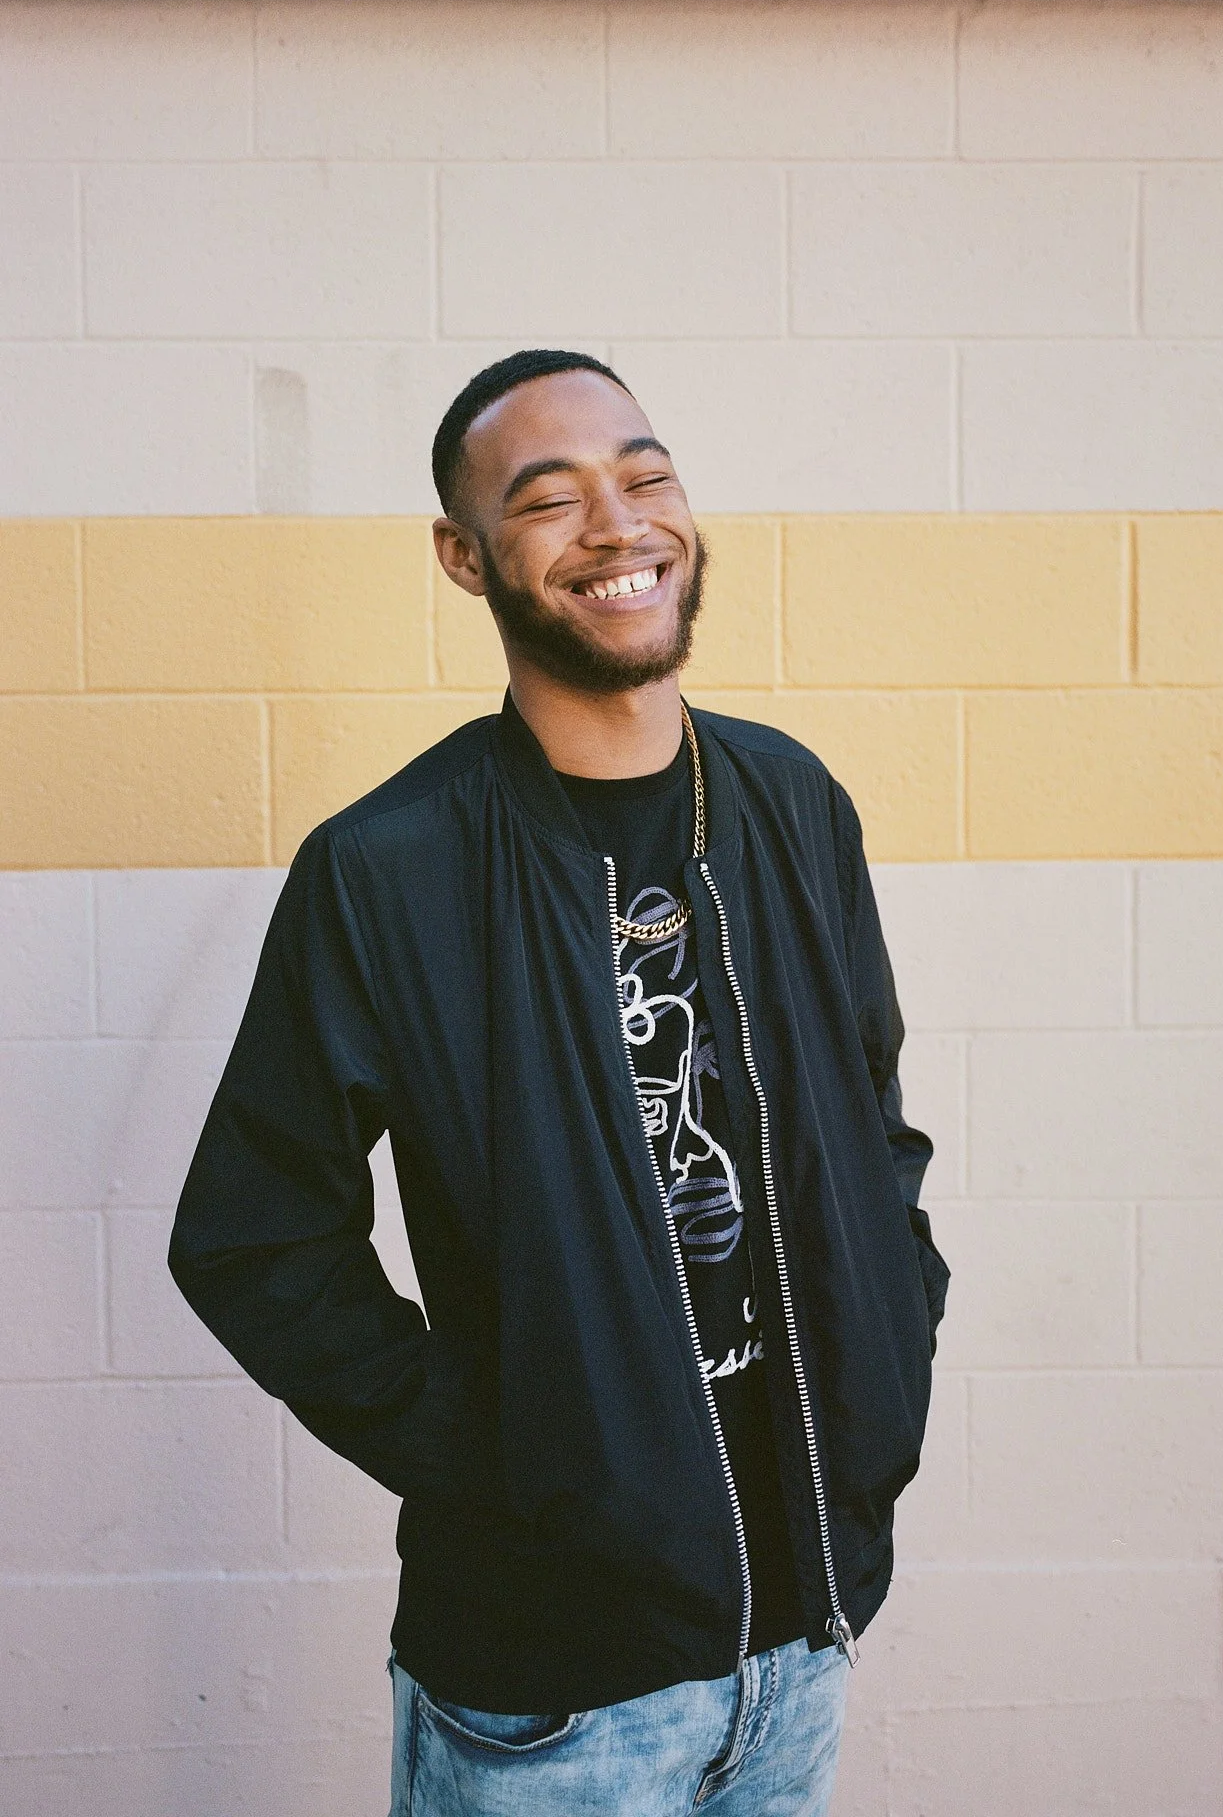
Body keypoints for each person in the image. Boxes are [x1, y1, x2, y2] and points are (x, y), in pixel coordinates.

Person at [169, 349, 949, 1816]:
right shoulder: (388, 868)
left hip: (802, 1641)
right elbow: (253, 1239)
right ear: (465, 559)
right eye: (549, 498)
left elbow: (872, 1127)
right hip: (549, 1689)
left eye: (644, 475)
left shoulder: (790, 804)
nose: (618, 521)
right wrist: (503, 1452)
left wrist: (890, 1347)